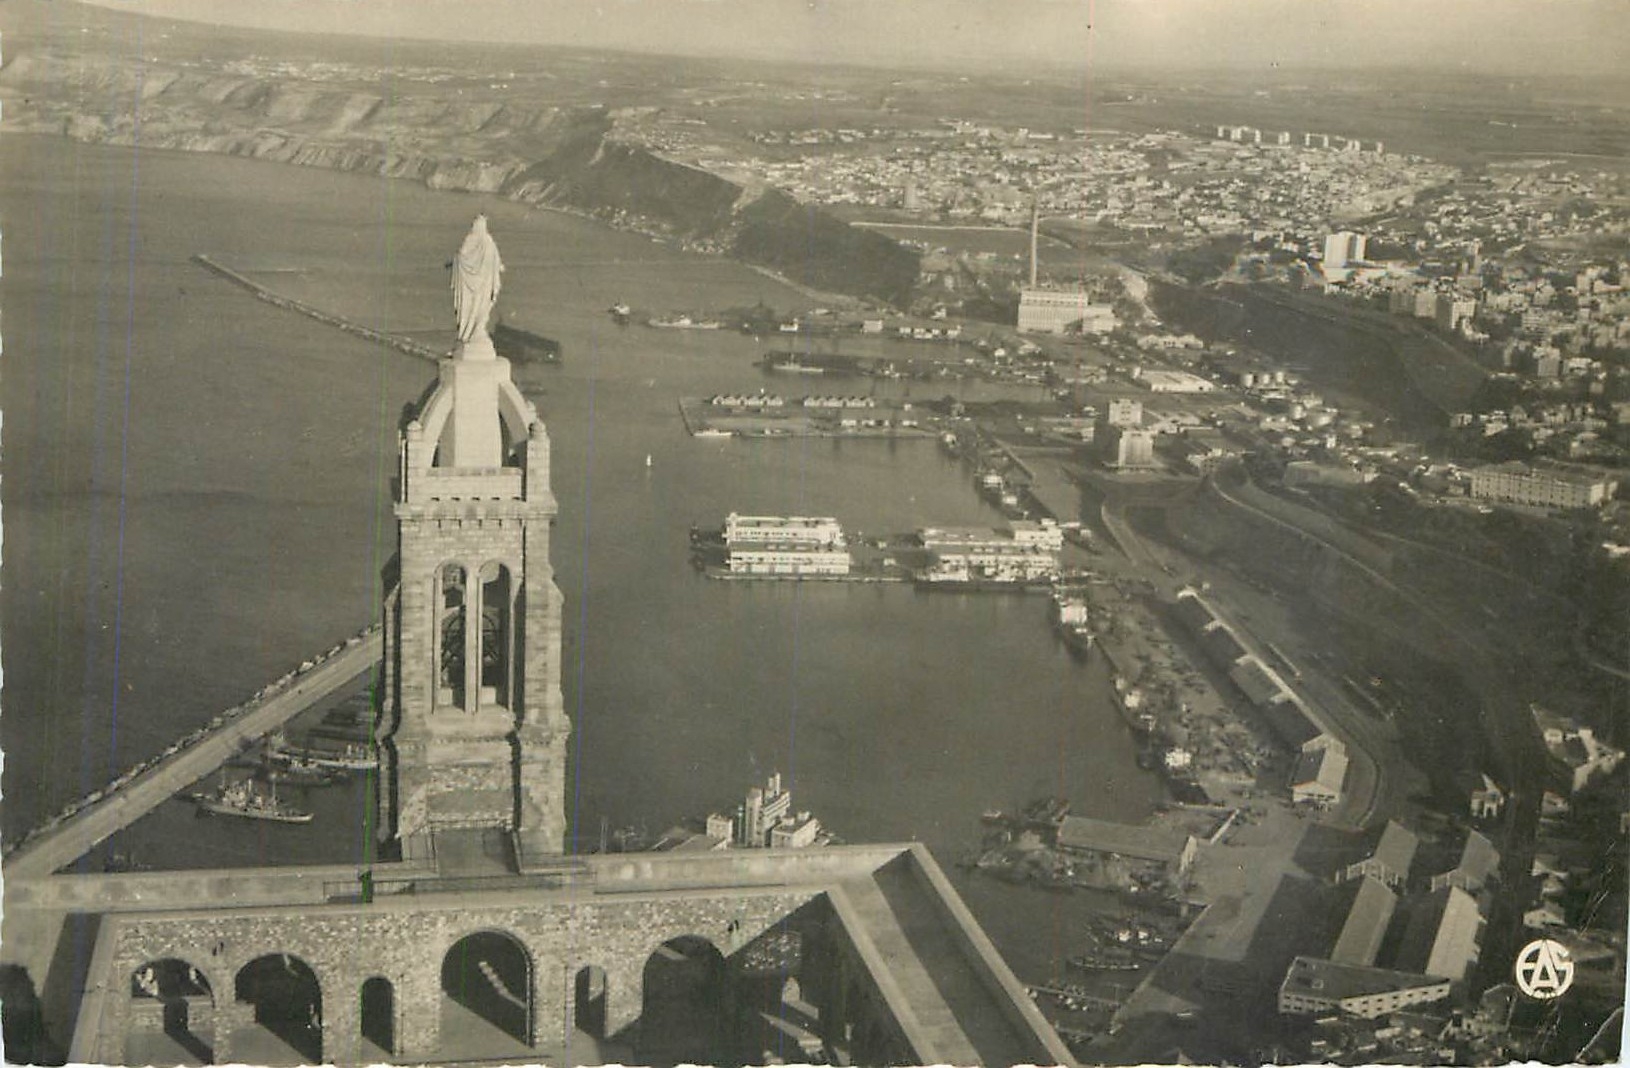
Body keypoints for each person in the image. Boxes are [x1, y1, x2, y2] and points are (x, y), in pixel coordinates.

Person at [451, 214, 504, 343]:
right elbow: (497, 263)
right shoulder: (489, 241)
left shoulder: (471, 239)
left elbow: (462, 256)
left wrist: (455, 261)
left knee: (468, 310)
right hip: (485, 284)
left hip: (470, 287)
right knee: (483, 310)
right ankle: (477, 331)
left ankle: (467, 333)